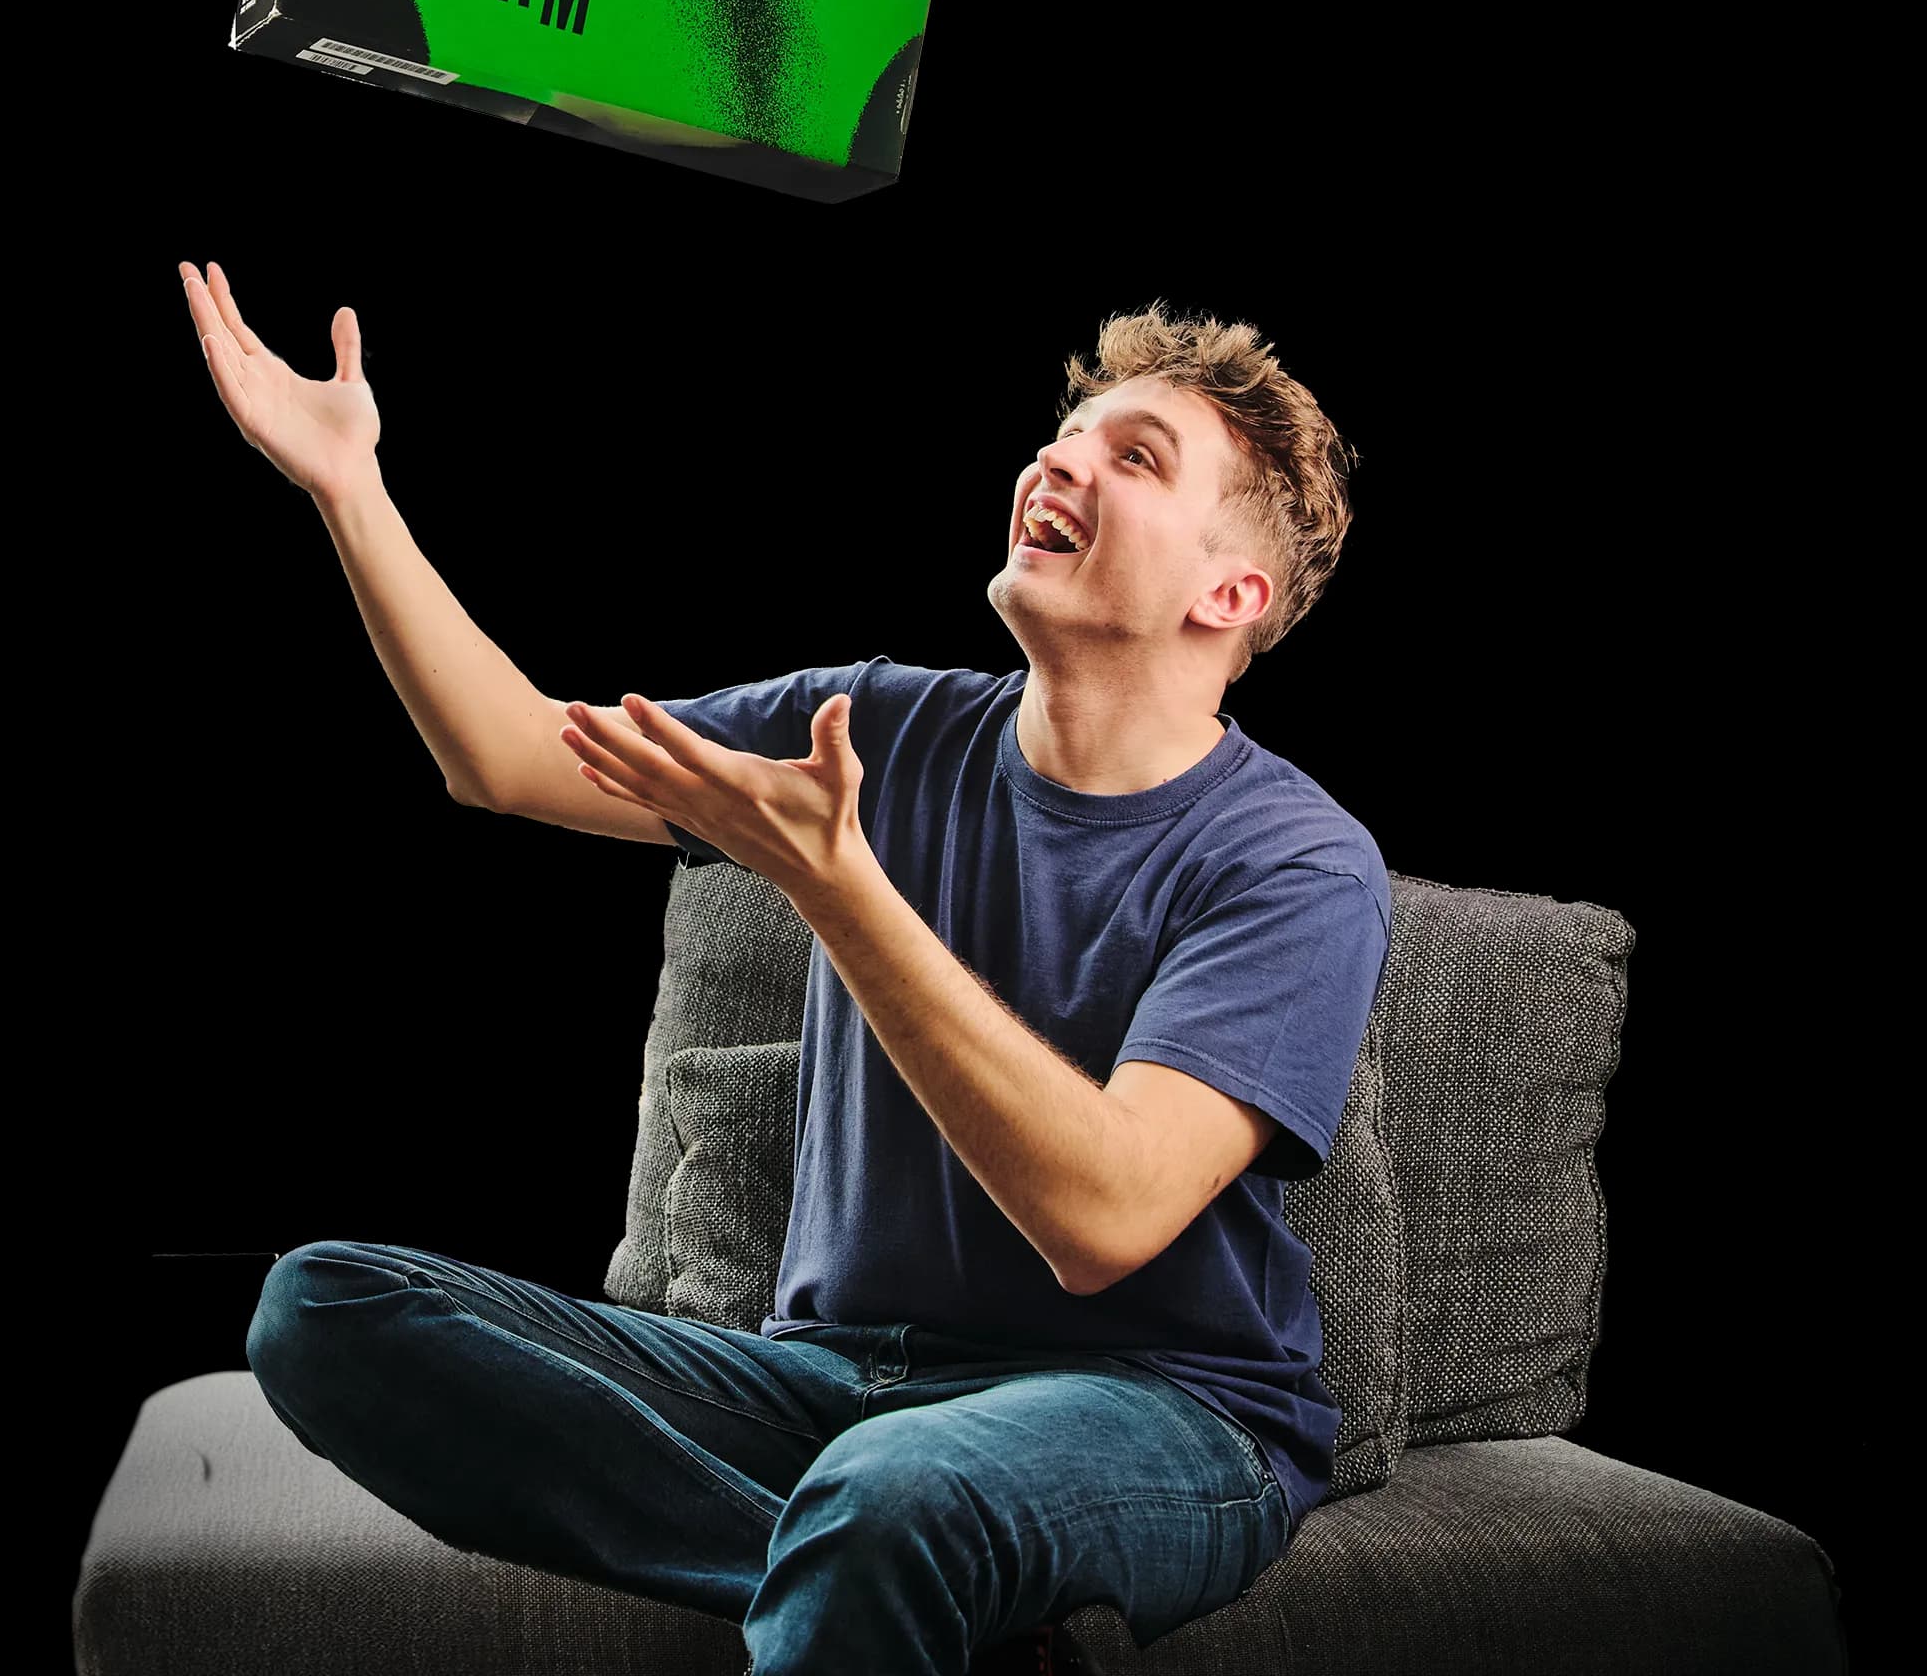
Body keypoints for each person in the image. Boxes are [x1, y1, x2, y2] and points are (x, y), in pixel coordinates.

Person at [185, 259, 1392, 1676]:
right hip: (836, 1383)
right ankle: (897, 1576)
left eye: (1135, 458)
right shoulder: (876, 724)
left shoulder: (1295, 862)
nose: (1059, 462)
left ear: (1231, 592)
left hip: (1159, 1406)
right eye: (1066, 436)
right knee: (328, 1307)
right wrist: (349, 488)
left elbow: (1104, 1214)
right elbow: (507, 756)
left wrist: (841, 888)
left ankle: (895, 1546)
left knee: (903, 1495)